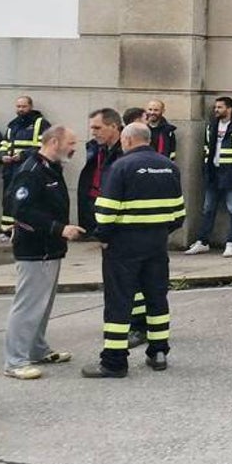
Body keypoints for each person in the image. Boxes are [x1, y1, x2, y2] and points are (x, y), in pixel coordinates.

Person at [82, 123, 185, 377]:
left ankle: (114, 362)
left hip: (123, 245)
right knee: (156, 298)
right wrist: (157, 231)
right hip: (157, 244)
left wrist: (103, 237)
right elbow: (178, 215)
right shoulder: (169, 166)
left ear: (127, 140)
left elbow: (105, 211)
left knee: (119, 301)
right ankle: (159, 352)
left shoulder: (120, 166)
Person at [2, 126, 86, 379]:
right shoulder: (31, 171)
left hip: (50, 248)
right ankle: (15, 361)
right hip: (34, 249)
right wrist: (58, 229)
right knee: (28, 305)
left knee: (43, 304)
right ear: (53, 141)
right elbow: (21, 210)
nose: (74, 147)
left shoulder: (52, 167)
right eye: (70, 142)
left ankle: (37, 349)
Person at [184, 97, 232, 257]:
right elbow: (207, 149)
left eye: (220, 107)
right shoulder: (212, 126)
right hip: (214, 173)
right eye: (215, 107)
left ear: (229, 109)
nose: (216, 110)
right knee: (207, 209)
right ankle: (202, 242)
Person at [76, 108, 124, 239]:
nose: (93, 133)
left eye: (97, 128)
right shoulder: (96, 147)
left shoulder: (127, 150)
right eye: (92, 128)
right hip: (95, 205)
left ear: (114, 126)